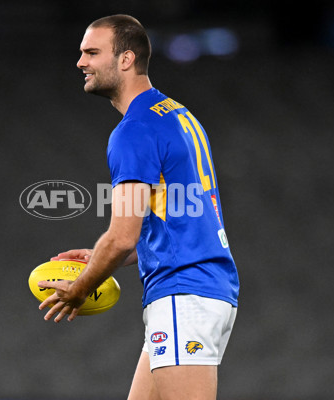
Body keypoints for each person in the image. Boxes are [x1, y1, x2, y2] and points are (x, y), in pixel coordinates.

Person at [37, 14, 239, 400]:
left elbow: (123, 235)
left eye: (92, 52)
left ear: (126, 59)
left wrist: (80, 289)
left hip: (183, 294)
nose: (81, 62)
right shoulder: (180, 116)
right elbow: (176, 220)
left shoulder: (134, 130)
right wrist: (101, 255)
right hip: (200, 291)